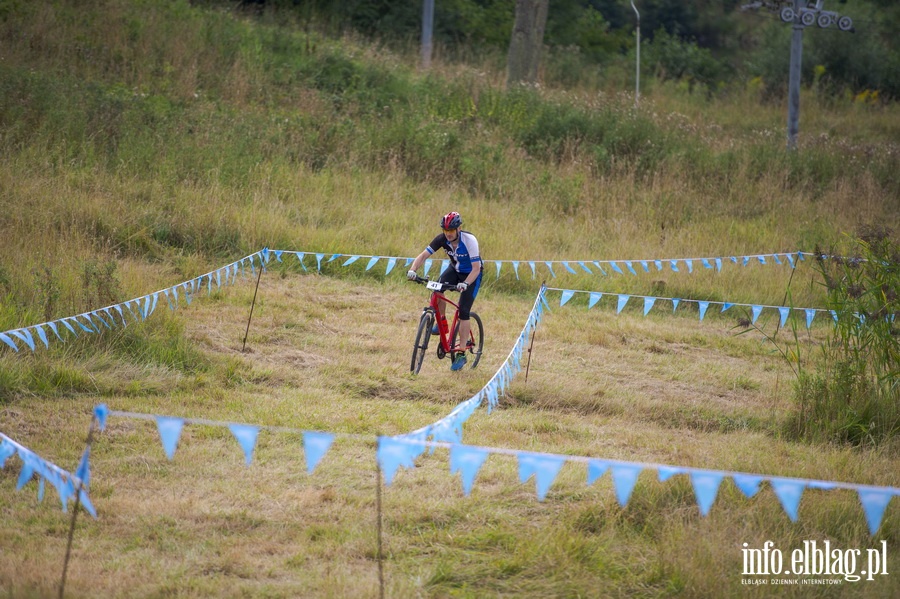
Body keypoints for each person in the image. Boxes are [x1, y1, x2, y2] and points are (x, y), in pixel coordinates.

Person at [407, 211, 483, 371]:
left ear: (458, 229)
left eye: (451, 231)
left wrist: (466, 283)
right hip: (454, 270)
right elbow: (423, 255)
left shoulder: (470, 241)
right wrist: (413, 270)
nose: (448, 234)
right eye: (445, 231)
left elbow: (476, 268)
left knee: (463, 310)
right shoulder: (442, 239)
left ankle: (462, 352)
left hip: (472, 275)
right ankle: (442, 322)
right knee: (438, 288)